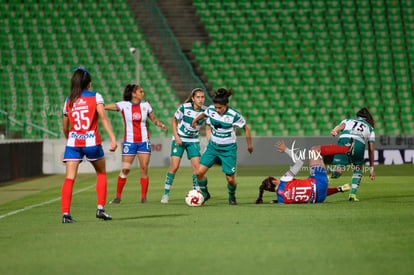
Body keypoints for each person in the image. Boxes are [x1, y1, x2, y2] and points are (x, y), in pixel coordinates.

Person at [61, 67, 117, 223]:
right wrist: (112, 138)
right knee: (101, 173)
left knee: (69, 178)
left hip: (73, 143)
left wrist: (70, 139)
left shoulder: (68, 100)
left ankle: (66, 214)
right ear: (89, 83)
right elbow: (104, 118)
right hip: (91, 141)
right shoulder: (95, 97)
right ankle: (100, 209)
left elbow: (65, 127)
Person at [106, 84, 168, 204]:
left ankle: (144, 197)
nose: (143, 93)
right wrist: (99, 106)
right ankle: (117, 197)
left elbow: (153, 119)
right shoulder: (124, 105)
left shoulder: (146, 105)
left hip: (143, 142)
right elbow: (108, 106)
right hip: (130, 142)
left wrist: (161, 124)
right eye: (140, 91)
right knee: (125, 169)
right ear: (133, 94)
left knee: (144, 169)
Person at [191, 87, 253, 205]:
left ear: (226, 105)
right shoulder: (211, 110)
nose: (217, 110)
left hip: (228, 149)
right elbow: (204, 114)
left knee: (230, 178)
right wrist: (195, 120)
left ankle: (232, 196)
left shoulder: (234, 115)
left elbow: (246, 128)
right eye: (216, 107)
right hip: (213, 148)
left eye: (220, 108)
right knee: (198, 173)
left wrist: (249, 145)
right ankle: (205, 194)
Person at [254, 140, 354, 204]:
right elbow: (299, 162)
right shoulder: (284, 180)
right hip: (318, 181)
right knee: (314, 151)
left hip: (318, 199)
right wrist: (286, 150)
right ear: (275, 182)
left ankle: (338, 188)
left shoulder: (281, 201)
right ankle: (347, 149)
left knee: (311, 188)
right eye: (276, 178)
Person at [161, 88, 210, 203]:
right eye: (198, 97)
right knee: (174, 166)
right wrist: (176, 136)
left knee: (197, 169)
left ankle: (196, 193)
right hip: (180, 139)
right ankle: (166, 194)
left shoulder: (206, 111)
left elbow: (210, 125)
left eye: (202, 97)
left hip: (193, 140)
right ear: (193, 98)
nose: (200, 99)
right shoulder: (185, 107)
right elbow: (173, 120)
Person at [330, 107, 375, 202]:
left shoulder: (348, 120)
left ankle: (329, 174)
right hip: (358, 143)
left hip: (344, 140)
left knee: (338, 170)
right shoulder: (370, 128)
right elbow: (371, 149)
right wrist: (371, 169)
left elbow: (340, 126)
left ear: (357, 116)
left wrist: (335, 130)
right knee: (358, 168)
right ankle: (352, 194)